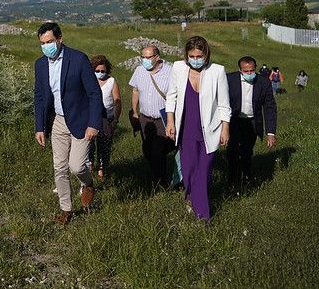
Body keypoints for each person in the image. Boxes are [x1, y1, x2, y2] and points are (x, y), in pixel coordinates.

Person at [34, 22, 103, 225]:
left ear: (60, 39)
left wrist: (94, 123)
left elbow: (94, 93)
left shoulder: (78, 59)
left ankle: (88, 183)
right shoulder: (40, 64)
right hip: (57, 120)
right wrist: (39, 127)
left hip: (81, 119)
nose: (46, 46)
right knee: (59, 167)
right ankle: (66, 210)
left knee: (76, 166)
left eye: (49, 42)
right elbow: (39, 96)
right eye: (42, 43)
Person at [165, 36, 231, 222]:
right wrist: (170, 121)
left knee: (203, 171)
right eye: (192, 56)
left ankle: (202, 216)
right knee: (188, 171)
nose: (195, 59)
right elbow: (171, 96)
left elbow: (224, 104)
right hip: (186, 129)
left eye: (199, 56)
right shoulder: (178, 68)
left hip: (210, 131)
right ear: (186, 55)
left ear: (206, 54)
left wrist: (225, 129)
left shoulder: (217, 71)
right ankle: (191, 196)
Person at [129, 46, 176, 188]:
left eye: (148, 57)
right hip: (145, 118)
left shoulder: (170, 71)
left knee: (158, 150)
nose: (145, 60)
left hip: (162, 118)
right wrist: (134, 111)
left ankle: (161, 181)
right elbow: (135, 90)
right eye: (142, 57)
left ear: (157, 57)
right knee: (147, 149)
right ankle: (156, 175)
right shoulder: (139, 70)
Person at [226, 56, 277, 186]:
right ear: (240, 70)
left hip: (252, 122)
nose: (249, 74)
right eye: (246, 71)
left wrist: (270, 132)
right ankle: (231, 178)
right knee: (232, 150)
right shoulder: (229, 80)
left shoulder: (263, 82)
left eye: (252, 70)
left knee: (247, 152)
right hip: (234, 121)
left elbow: (269, 107)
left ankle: (247, 177)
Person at [88, 55, 122, 180]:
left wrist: (115, 121)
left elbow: (117, 101)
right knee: (89, 145)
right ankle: (89, 166)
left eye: (103, 71)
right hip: (91, 118)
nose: (100, 73)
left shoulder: (111, 81)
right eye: (97, 71)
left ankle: (102, 170)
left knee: (104, 146)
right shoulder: (89, 81)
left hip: (107, 119)